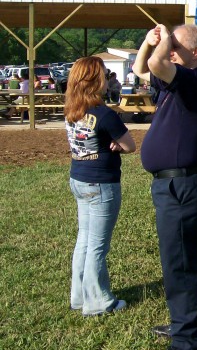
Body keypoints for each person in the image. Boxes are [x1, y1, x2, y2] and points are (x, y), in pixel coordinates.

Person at [134, 23, 197, 349]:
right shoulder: (181, 82)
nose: (169, 50)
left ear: (195, 52)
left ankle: (186, 339)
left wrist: (164, 39)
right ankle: (184, 324)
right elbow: (143, 68)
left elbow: (157, 64)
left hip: (180, 185)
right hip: (173, 185)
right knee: (176, 260)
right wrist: (147, 40)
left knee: (181, 262)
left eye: (176, 46)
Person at [64, 56, 136, 316]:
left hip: (79, 179)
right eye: (104, 74)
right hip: (102, 183)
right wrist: (116, 144)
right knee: (97, 246)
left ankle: (79, 296)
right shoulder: (104, 114)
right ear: (97, 80)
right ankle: (98, 302)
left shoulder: (72, 110)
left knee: (84, 240)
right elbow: (130, 145)